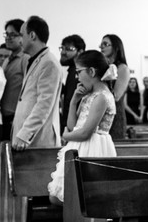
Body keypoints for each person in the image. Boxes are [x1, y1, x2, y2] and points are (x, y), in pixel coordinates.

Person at [47, 50, 118, 203]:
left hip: (93, 148)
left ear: (91, 71)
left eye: (79, 72)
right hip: (80, 145)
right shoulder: (88, 95)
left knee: (82, 197)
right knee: (62, 196)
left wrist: (65, 136)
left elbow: (85, 132)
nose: (77, 77)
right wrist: (74, 101)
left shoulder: (102, 97)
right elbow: (72, 126)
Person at [11, 16, 63, 150]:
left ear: (32, 35)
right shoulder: (34, 60)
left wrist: (24, 134)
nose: (20, 40)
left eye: (22, 35)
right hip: (29, 138)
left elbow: (44, 104)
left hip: (39, 138)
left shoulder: (49, 63)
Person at [99, 34, 131, 139]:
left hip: (115, 115)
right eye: (101, 44)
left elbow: (116, 96)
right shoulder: (103, 67)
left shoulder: (122, 68)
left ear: (116, 47)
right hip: (100, 114)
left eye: (105, 44)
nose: (101, 46)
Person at [1, 19, 26, 132]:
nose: (8, 37)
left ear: (23, 37)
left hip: (17, 118)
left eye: (13, 35)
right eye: (6, 34)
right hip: (3, 118)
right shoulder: (7, 60)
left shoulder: (26, 59)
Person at [59, 34, 86, 132]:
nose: (63, 52)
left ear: (80, 52)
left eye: (69, 49)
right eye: (62, 48)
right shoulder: (71, 71)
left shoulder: (82, 73)